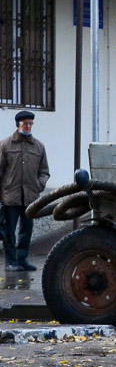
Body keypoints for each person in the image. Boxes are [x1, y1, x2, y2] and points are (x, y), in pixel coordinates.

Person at [1, 110, 49, 271]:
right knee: (9, 231)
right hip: (10, 196)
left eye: (30, 123)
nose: (28, 126)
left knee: (26, 230)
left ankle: (22, 259)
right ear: (18, 125)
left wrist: (38, 185)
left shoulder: (39, 146)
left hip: (30, 196)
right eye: (25, 123)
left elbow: (44, 171)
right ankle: (11, 262)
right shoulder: (5, 145)